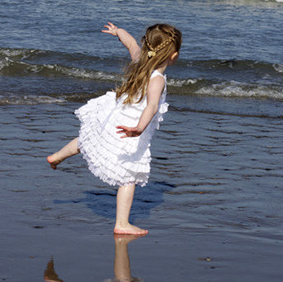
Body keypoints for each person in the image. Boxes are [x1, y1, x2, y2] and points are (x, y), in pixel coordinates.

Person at [47, 22, 182, 235]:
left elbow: (129, 43)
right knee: (129, 174)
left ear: (146, 45)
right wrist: (139, 128)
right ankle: (122, 224)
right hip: (129, 127)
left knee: (89, 138)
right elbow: (152, 107)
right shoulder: (158, 80)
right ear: (173, 56)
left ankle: (57, 157)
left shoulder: (139, 60)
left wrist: (119, 32)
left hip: (116, 115)